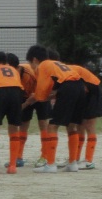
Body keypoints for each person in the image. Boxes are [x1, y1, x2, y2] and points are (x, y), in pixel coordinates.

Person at [24, 45, 86, 173]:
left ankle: (50, 164)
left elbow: (41, 93)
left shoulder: (43, 66)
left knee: (52, 126)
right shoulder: (56, 63)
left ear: (34, 60)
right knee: (72, 125)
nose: (32, 68)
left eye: (31, 64)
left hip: (68, 87)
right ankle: (73, 163)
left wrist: (31, 100)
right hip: (80, 87)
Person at [72, 62, 102, 169]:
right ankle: (75, 158)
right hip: (83, 99)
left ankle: (88, 160)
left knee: (89, 126)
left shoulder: (87, 80)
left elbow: (84, 88)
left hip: (92, 98)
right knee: (79, 126)